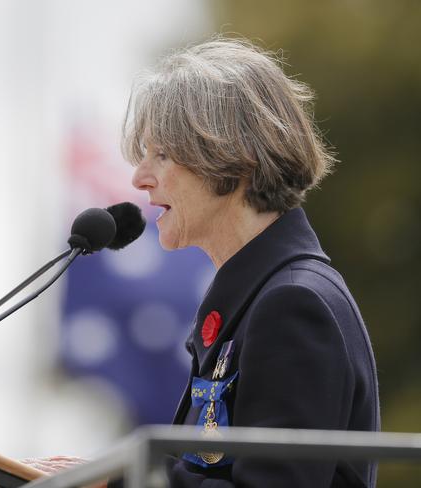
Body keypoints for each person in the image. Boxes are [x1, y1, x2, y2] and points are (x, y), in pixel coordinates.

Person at [121, 37, 380, 487]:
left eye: (160, 154)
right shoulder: (263, 297)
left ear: (231, 157)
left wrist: (119, 481)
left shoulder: (293, 304)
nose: (140, 177)